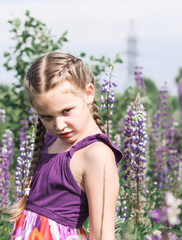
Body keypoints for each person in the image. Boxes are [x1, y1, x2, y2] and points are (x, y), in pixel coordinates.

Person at [10, 52, 123, 240]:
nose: (59, 125)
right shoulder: (52, 141)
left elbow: (103, 235)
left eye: (66, 111)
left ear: (88, 94)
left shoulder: (96, 154)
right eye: (47, 117)